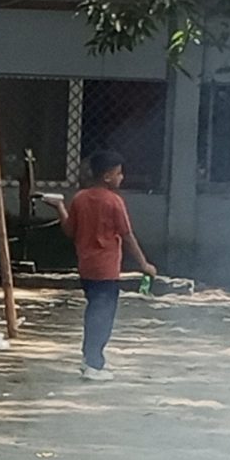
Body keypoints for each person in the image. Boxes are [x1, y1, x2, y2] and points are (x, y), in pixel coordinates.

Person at [61, 151, 156, 379]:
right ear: (106, 176)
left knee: (94, 311)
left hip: (86, 267)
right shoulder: (114, 202)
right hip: (106, 270)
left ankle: (89, 358)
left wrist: (59, 208)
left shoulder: (80, 198)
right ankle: (94, 364)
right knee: (103, 317)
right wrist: (144, 264)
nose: (121, 177)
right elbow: (127, 236)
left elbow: (70, 231)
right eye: (118, 173)